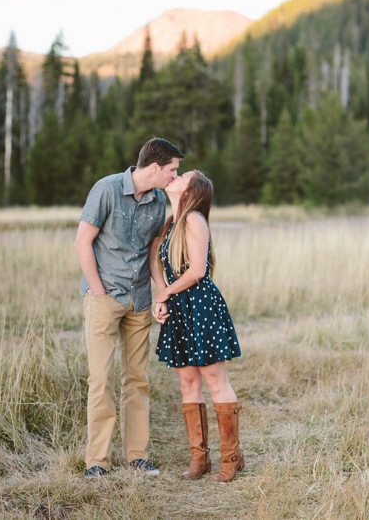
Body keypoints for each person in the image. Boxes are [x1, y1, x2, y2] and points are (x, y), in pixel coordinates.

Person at [73, 137, 183, 478]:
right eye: (172, 170)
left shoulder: (157, 203)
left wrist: (161, 294)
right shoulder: (105, 189)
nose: (175, 177)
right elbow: (82, 241)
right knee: (101, 379)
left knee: (137, 379)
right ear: (154, 167)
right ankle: (98, 462)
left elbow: (152, 255)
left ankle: (137, 456)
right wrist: (98, 290)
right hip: (105, 297)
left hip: (140, 299)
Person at [151, 170, 243, 482]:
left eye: (182, 176)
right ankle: (198, 459)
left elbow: (198, 271)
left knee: (215, 381)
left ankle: (231, 458)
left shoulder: (194, 220)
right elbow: (158, 263)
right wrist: (162, 297)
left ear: (192, 191)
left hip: (201, 306)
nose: (173, 177)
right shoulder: (170, 224)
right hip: (179, 308)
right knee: (188, 383)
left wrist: (165, 292)